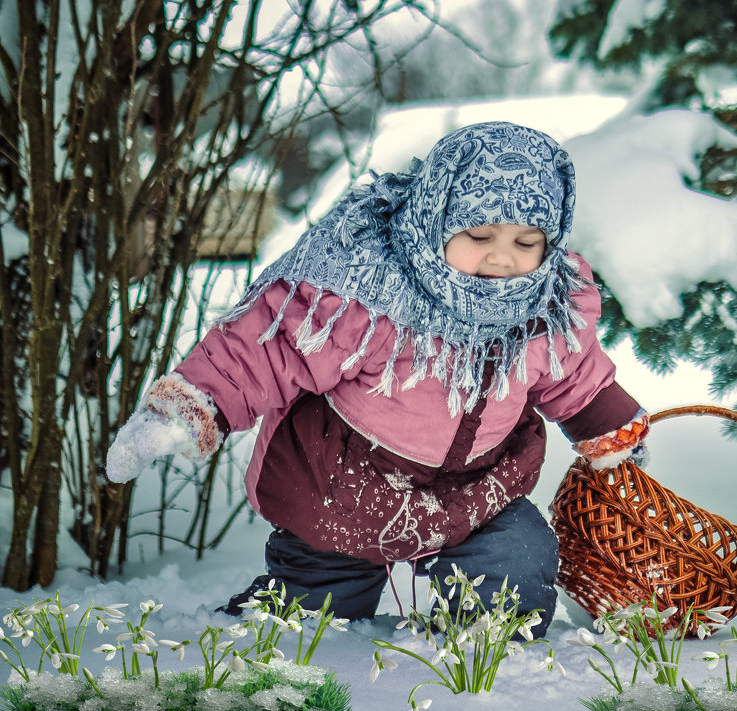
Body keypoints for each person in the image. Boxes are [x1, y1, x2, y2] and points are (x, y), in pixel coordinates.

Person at [105, 122, 649, 636]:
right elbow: (268, 348)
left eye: (527, 242)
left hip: (477, 485)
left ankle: (487, 675)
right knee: (313, 616)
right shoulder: (367, 290)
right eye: (480, 233)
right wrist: (186, 409)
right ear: (436, 216)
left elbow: (575, 374)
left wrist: (614, 432)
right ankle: (267, 637)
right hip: (344, 484)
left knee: (518, 569)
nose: (502, 258)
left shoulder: (547, 306)